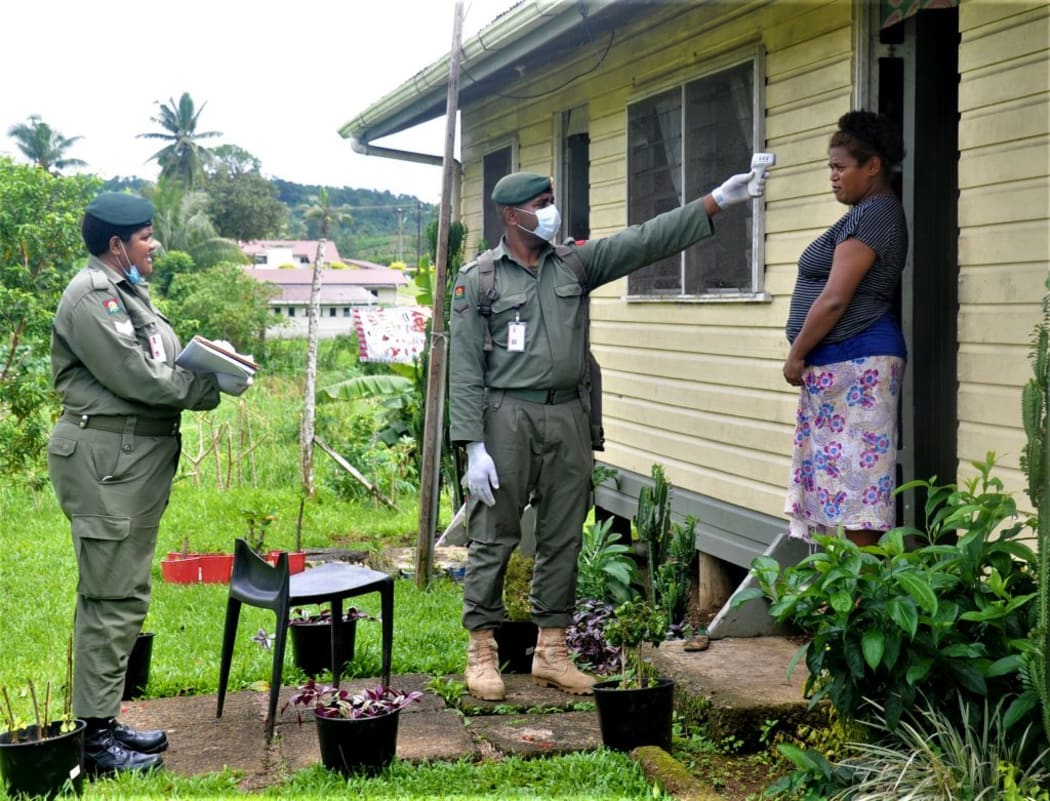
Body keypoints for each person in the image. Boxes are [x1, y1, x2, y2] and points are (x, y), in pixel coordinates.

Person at [449, 166, 767, 700]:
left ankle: (551, 650)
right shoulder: (479, 279)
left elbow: (644, 241)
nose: (551, 209)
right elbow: (462, 367)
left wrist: (714, 200)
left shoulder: (574, 262)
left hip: (569, 415)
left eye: (552, 198)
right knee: (493, 534)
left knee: (563, 534)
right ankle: (482, 651)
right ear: (510, 215)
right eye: (541, 202)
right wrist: (473, 445)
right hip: (507, 417)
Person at [47, 192, 252, 775]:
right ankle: (92, 742)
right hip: (108, 460)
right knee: (112, 597)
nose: (154, 243)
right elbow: (139, 375)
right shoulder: (92, 296)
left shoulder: (124, 292)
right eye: (145, 236)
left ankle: (103, 722)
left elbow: (160, 360)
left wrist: (211, 359)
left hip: (127, 460)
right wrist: (210, 384)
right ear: (117, 245)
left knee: (122, 593)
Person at [782, 111, 908, 547]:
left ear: (872, 166)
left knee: (859, 488)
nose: (832, 177)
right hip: (842, 366)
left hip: (861, 363)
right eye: (830, 168)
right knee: (839, 486)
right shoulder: (864, 213)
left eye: (840, 167)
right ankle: (844, 592)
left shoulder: (877, 214)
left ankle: (862, 599)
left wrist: (797, 352)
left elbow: (835, 298)